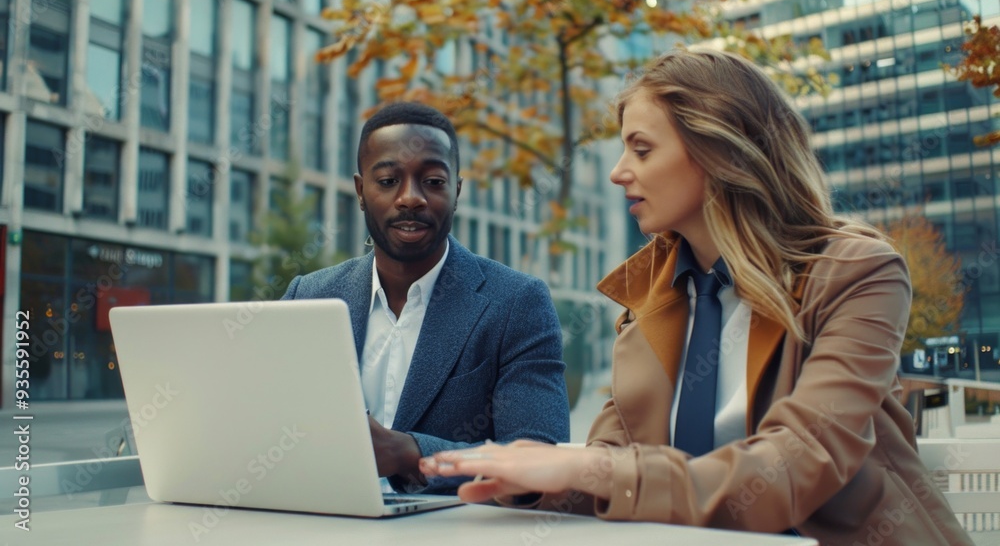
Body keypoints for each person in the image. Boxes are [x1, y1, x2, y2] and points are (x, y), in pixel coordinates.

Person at [420, 48, 973, 545]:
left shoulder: (858, 275)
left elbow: (798, 465)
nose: (618, 173)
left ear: (720, 154)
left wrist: (590, 472)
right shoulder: (650, 294)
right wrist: (528, 479)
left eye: (641, 149)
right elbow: (615, 470)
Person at [281, 101, 570, 494]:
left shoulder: (517, 303)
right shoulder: (307, 298)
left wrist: (412, 453)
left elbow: (540, 460)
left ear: (457, 191)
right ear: (360, 190)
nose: (410, 198)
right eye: (387, 181)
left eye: (433, 182)